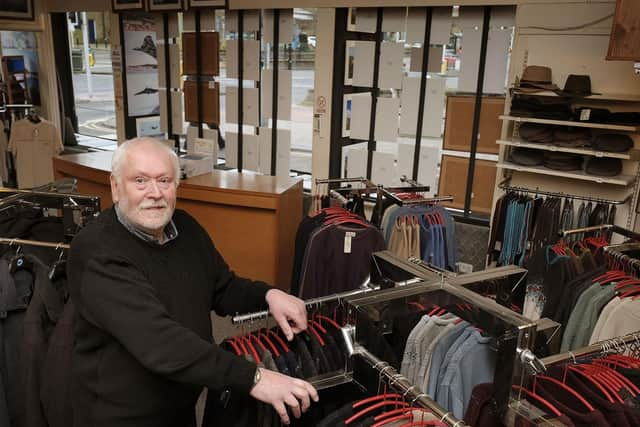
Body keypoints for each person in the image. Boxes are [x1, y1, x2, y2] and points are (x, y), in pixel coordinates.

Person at [67, 137, 318, 427]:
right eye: (140, 181)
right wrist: (254, 377)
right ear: (115, 187)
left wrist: (269, 295)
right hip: (121, 415)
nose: (154, 193)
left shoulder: (185, 227)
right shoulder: (97, 251)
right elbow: (159, 342)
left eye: (164, 180)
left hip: (181, 403)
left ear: (177, 186)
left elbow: (223, 287)